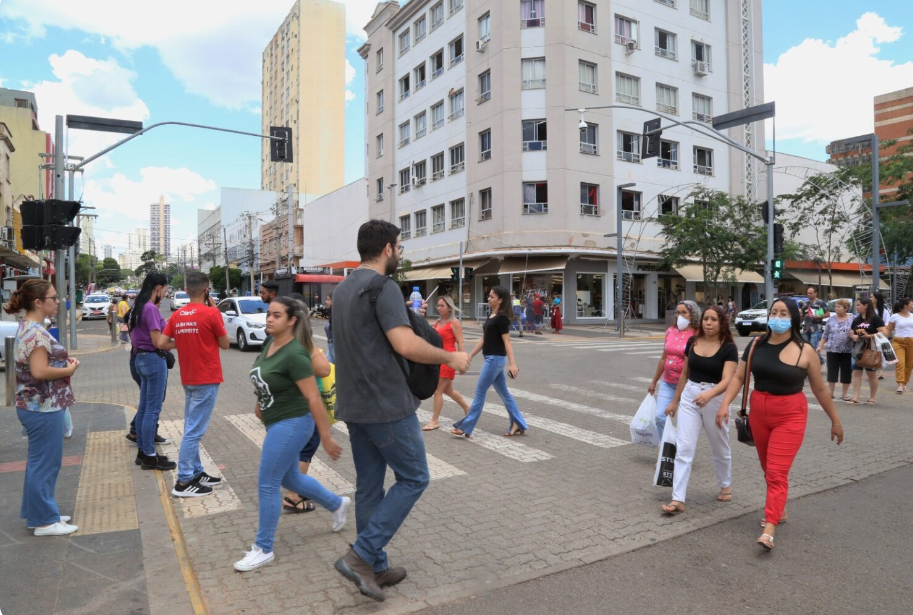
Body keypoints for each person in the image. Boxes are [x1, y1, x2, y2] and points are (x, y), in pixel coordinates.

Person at [332, 219, 469, 602]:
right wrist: (450, 357)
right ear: (388, 248)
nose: (400, 253)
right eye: (400, 246)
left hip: (354, 405)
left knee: (370, 487)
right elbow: (405, 343)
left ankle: (374, 566)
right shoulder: (383, 286)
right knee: (414, 478)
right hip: (387, 405)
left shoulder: (344, 289)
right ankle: (360, 556)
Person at [715, 298, 843, 551]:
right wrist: (724, 404)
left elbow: (818, 388)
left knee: (776, 471)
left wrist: (835, 420)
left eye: (784, 313)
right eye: (774, 312)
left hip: (791, 414)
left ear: (793, 318)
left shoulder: (805, 350)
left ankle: (770, 525)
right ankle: (779, 509)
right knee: (768, 468)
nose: (778, 316)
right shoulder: (755, 345)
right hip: (759, 411)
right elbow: (740, 376)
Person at [235, 297, 349, 572]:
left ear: (291, 321)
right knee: (290, 477)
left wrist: (326, 437)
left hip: (294, 422)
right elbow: (265, 384)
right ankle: (337, 504)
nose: (269, 319)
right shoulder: (270, 345)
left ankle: (263, 548)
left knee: (267, 482)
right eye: (269, 314)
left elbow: (313, 397)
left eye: (276, 315)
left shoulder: (296, 353)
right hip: (277, 421)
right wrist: (259, 405)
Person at [7, 280, 80, 536]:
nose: (58, 301)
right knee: (45, 464)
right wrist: (69, 369)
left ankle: (40, 513)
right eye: (53, 297)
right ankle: (45, 521)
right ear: (38, 302)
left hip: (37, 405)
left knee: (40, 463)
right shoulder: (36, 332)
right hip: (42, 407)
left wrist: (62, 364)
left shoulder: (30, 327)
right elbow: (39, 371)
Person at [156, 272, 230, 497]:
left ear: (186, 290)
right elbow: (225, 344)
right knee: (194, 432)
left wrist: (185, 340)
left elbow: (161, 342)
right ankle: (184, 480)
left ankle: (197, 472)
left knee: (191, 427)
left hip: (189, 378)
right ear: (207, 290)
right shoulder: (212, 313)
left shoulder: (178, 315)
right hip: (207, 379)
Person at [661, 305, 737, 514]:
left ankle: (725, 485)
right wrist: (674, 402)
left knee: (719, 446)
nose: (709, 323)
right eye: (706, 319)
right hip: (690, 397)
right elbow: (684, 374)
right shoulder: (693, 342)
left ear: (722, 323)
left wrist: (710, 395)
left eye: (714, 319)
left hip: (714, 398)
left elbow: (728, 379)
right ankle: (678, 498)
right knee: (684, 448)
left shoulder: (728, 347)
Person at [451, 286, 526, 438]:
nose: (488, 299)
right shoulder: (491, 316)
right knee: (504, 394)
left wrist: (512, 364)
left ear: (500, 300)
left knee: (479, 393)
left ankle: (466, 426)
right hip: (492, 359)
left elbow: (507, 342)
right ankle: (517, 422)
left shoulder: (502, 319)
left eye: (492, 297)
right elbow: (484, 339)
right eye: (489, 296)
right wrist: (470, 355)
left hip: (495, 360)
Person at [130, 273, 177, 471]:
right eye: (165, 290)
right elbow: (159, 342)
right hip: (152, 359)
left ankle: (143, 451)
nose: (165, 294)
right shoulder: (150, 308)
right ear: (158, 288)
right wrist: (181, 343)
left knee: (144, 408)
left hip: (140, 358)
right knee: (152, 410)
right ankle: (149, 455)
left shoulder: (138, 307)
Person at [649, 301, 701, 439]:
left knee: (685, 423)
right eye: (677, 312)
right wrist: (654, 381)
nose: (680, 316)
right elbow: (663, 358)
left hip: (688, 385)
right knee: (660, 416)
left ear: (693, 315)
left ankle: (681, 453)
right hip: (668, 381)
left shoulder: (698, 334)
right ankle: (665, 451)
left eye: (684, 312)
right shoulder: (670, 332)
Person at [423, 296, 471, 431]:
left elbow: (460, 342)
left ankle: (434, 420)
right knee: (448, 390)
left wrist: (462, 362)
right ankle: (468, 408)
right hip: (439, 358)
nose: (439, 308)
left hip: (449, 358)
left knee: (438, 391)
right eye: (438, 306)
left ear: (449, 307)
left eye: (442, 305)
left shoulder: (454, 322)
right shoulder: (438, 322)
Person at [847, 296, 887, 405]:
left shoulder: (875, 318)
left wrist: (869, 336)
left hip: (871, 349)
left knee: (871, 374)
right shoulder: (857, 319)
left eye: (859, 305)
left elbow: (885, 332)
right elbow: (851, 332)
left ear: (866, 306)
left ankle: (872, 397)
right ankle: (856, 397)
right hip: (857, 349)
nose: (857, 307)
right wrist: (853, 336)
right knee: (856, 372)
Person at [818, 299, 854, 401]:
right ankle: (831, 392)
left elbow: (855, 332)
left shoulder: (853, 319)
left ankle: (845, 394)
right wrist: (820, 346)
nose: (836, 309)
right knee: (832, 371)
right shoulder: (831, 319)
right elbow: (825, 335)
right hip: (832, 349)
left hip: (847, 350)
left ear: (846, 308)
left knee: (846, 372)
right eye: (836, 307)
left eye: (839, 307)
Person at [887, 297, 913, 393]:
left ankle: (905, 383)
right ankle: (900, 384)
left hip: (911, 341)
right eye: (911, 304)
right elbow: (889, 329)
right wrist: (883, 340)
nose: (912, 306)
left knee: (909, 364)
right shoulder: (895, 316)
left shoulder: (912, 316)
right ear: (905, 305)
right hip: (898, 341)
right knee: (900, 363)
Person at [802, 286, 829, 368]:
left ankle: (814, 365)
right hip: (806, 329)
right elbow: (802, 314)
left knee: (813, 347)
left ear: (815, 293)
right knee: (807, 348)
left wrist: (819, 317)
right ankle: (820, 361)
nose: (808, 295)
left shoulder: (820, 303)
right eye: (807, 293)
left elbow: (827, 314)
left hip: (816, 328)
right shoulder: (805, 303)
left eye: (810, 293)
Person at [873, 292, 890, 380]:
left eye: (871, 297)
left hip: (880, 335)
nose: (870, 298)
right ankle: (875, 371)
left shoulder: (884, 311)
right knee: (872, 353)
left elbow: (887, 324)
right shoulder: (868, 309)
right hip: (870, 335)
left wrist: (882, 332)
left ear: (876, 299)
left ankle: (879, 371)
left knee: (879, 353)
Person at [325, 292, 334, 363]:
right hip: (330, 346)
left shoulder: (337, 315)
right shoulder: (331, 314)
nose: (326, 301)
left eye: (328, 299)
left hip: (336, 347)